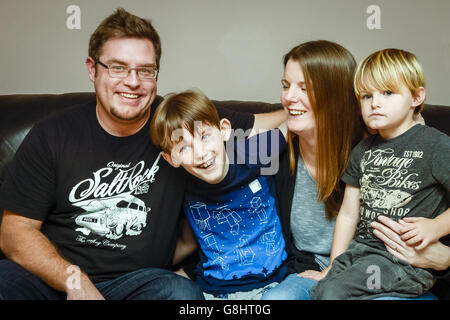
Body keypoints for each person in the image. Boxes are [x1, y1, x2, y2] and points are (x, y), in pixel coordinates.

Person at [0, 8, 283, 300]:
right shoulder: (52, 134)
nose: (133, 82)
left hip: (139, 285)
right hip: (57, 280)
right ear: (92, 69)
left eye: (145, 70)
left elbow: (276, 121)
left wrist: (304, 104)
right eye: (118, 67)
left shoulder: (178, 125)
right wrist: (74, 281)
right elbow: (14, 233)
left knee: (180, 294)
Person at [309, 48, 450, 299]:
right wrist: (333, 265)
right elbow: (349, 215)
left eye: (387, 93)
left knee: (331, 293)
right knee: (321, 289)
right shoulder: (362, 151)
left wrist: (437, 227)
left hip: (402, 260)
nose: (375, 102)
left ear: (416, 97)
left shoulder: (435, 145)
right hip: (361, 252)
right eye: (366, 96)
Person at [150, 90, 288, 299]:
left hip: (274, 284)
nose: (201, 153)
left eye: (205, 137)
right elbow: (180, 242)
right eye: (184, 148)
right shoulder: (178, 185)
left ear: (224, 130)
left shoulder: (253, 152)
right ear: (171, 159)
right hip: (214, 290)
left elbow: (294, 122)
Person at [261, 40, 364, 300]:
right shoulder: (277, 152)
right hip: (309, 273)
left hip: (366, 274)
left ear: (336, 96)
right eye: (286, 86)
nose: (289, 97)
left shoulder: (371, 152)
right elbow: (214, 138)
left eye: (304, 88)